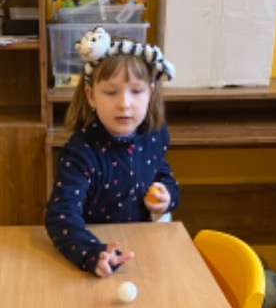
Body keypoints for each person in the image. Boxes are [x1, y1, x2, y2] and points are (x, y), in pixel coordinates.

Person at [45, 28, 179, 277]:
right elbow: (61, 216)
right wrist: (90, 253)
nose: (124, 104)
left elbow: (161, 170)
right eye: (110, 92)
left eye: (136, 91)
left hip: (144, 248)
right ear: (91, 96)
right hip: (99, 249)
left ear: (151, 93)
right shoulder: (79, 153)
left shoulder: (155, 133)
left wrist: (167, 195)